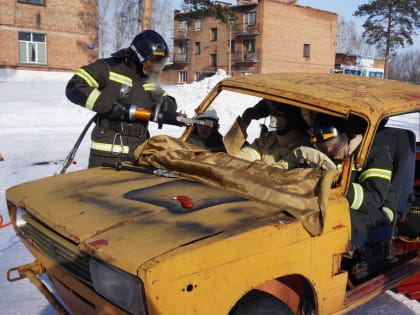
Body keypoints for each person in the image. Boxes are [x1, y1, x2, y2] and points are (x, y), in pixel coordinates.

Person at [66, 30, 177, 168]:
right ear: (137, 56)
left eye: (159, 64)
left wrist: (168, 104)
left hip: (140, 153)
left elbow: (163, 98)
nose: (155, 68)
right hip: (107, 152)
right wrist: (112, 107)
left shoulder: (148, 77)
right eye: (152, 63)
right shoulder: (107, 68)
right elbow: (74, 87)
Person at [309, 114, 393, 250]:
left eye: (333, 143)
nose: (329, 150)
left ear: (349, 135)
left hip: (372, 214)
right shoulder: (323, 156)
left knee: (331, 220)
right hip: (335, 205)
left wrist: (339, 186)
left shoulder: (375, 152)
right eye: (323, 146)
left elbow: (373, 198)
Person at [234, 100, 311, 165]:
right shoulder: (269, 138)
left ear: (294, 120)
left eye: (279, 118)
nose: (274, 121)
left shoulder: (305, 149)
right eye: (273, 115)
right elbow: (245, 155)